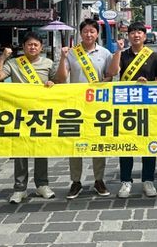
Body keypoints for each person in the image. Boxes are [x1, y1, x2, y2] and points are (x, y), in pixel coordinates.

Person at [0, 31, 58, 204]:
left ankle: (42, 184)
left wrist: (52, 83)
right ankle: (20, 188)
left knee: (41, 150)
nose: (32, 47)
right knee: (20, 151)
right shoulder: (14, 63)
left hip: (41, 112)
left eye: (36, 45)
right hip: (19, 113)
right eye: (29, 44)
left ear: (41, 47)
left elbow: (59, 83)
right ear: (23, 47)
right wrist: (3, 57)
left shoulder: (48, 63)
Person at [54, 18, 113, 199]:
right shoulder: (72, 53)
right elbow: (61, 78)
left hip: (97, 105)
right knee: (75, 143)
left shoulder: (105, 53)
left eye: (92, 31)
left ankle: (99, 180)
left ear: (97, 34)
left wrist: (102, 83)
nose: (88, 34)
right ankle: (76, 181)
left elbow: (109, 76)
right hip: (76, 105)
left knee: (98, 143)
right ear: (80, 33)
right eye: (85, 31)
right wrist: (63, 57)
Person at [107, 21, 157, 198]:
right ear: (128, 36)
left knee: (148, 144)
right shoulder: (123, 55)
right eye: (132, 32)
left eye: (140, 32)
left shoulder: (153, 57)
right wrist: (118, 51)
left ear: (145, 36)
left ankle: (148, 180)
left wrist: (149, 84)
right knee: (127, 144)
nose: (136, 35)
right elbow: (112, 72)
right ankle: (126, 181)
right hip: (127, 107)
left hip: (148, 107)